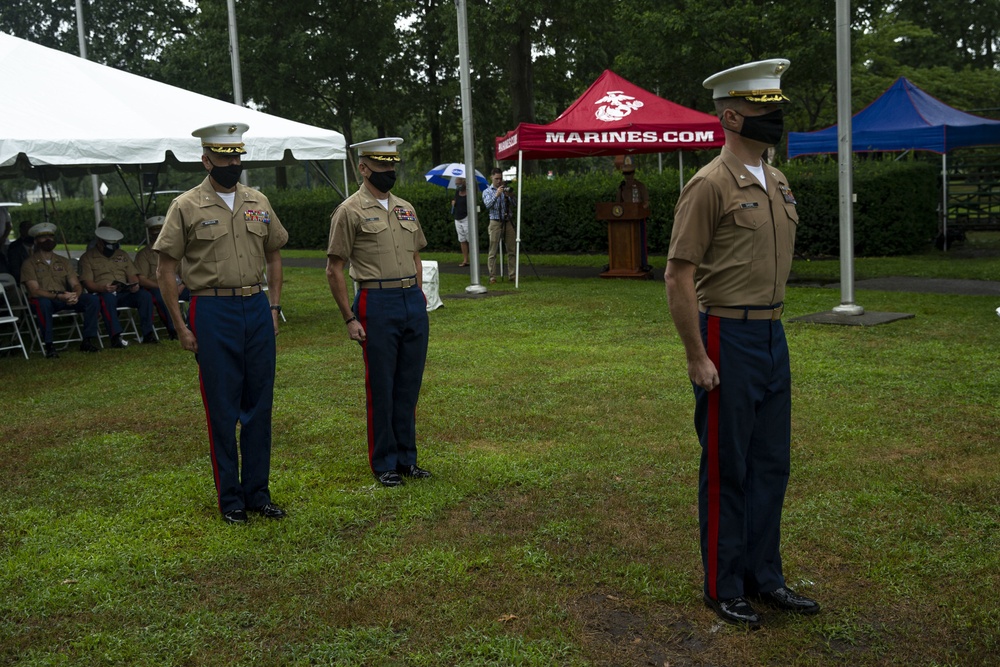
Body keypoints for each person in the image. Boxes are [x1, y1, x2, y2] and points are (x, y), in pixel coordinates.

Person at [664, 58, 819, 627]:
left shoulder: (776, 180)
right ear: (731, 115)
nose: (772, 120)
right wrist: (696, 354)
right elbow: (678, 275)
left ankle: (765, 576)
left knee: (771, 463)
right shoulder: (708, 185)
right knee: (727, 466)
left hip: (773, 334)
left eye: (775, 110)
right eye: (762, 111)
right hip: (726, 333)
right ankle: (722, 583)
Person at [154, 122, 289, 525]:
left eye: (237, 156)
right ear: (206, 159)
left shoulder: (258, 200)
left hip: (255, 307)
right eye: (224, 156)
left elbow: (275, 255)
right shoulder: (186, 206)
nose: (232, 163)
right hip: (212, 312)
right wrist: (181, 325)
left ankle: (258, 494)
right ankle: (231, 499)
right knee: (222, 407)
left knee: (259, 405)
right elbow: (165, 268)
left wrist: (274, 307)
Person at [326, 137, 431, 488]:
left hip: (410, 301)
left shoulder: (406, 208)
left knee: (408, 385)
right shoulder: (349, 211)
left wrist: (418, 293)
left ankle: (407, 458)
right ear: (363, 167)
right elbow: (334, 268)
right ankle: (383, 461)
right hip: (376, 301)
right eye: (382, 165)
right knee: (382, 385)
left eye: (392, 165)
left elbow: (416, 255)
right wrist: (349, 317)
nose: (389, 171)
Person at [20, 222, 101, 357]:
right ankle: (49, 345)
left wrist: (75, 295)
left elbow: (76, 284)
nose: (48, 240)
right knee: (43, 304)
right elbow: (34, 291)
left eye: (50, 236)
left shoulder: (63, 261)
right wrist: (58, 297)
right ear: (36, 241)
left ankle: (87, 340)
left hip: (64, 298)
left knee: (92, 300)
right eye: (43, 237)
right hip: (46, 299)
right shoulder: (29, 263)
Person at [78, 226, 157, 347]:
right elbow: (88, 283)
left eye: (115, 245)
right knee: (108, 298)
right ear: (99, 242)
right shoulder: (87, 258)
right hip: (102, 292)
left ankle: (148, 333)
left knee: (144, 296)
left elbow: (132, 274)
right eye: (109, 245)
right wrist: (103, 288)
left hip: (124, 291)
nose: (112, 249)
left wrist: (134, 284)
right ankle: (115, 337)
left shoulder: (122, 254)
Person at [134, 215, 184, 340]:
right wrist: (165, 286)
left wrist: (182, 286)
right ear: (150, 234)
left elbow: (186, 274)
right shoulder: (144, 254)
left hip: (178, 286)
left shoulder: (175, 250)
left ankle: (195, 325)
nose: (158, 236)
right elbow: (142, 279)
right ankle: (174, 329)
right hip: (157, 287)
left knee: (198, 294)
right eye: (155, 233)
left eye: (160, 232)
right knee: (162, 298)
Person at [616, 157, 651, 271]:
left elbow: (646, 202)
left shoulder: (640, 186)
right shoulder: (621, 187)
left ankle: (642, 263)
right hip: (625, 220)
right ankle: (626, 263)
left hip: (638, 219)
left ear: (634, 173)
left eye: (630, 173)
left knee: (639, 242)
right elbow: (618, 204)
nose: (628, 176)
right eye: (626, 174)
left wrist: (639, 210)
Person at [482, 168, 516, 284]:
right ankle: (492, 276)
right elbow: (487, 205)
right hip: (495, 222)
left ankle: (512, 275)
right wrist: (497, 195)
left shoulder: (505, 189)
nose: (499, 181)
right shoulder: (487, 191)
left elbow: (515, 204)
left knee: (511, 249)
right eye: (496, 179)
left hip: (507, 221)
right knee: (493, 250)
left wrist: (510, 195)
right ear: (491, 177)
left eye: (500, 179)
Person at [451, 177, 471, 267]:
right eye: (456, 184)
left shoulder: (469, 193)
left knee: (469, 239)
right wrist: (453, 204)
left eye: (459, 183)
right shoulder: (457, 192)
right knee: (462, 239)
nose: (457, 186)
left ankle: (473, 258)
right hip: (457, 218)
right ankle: (465, 259)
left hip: (466, 217)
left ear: (463, 182)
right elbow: (456, 202)